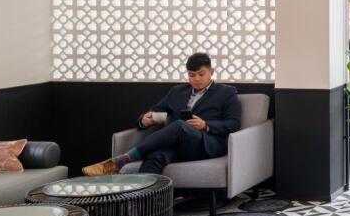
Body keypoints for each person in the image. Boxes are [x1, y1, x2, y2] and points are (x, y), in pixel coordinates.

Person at [82, 52, 242, 177]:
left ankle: (122, 160)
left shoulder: (226, 92)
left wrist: (205, 125)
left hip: (205, 144)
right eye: (192, 75)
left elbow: (233, 123)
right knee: (155, 156)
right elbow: (156, 111)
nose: (196, 79)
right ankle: (141, 206)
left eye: (201, 74)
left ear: (211, 72)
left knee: (179, 125)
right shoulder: (177, 91)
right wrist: (144, 120)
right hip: (176, 145)